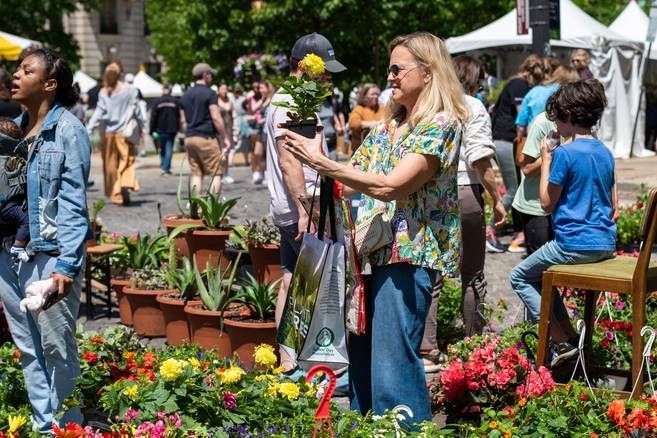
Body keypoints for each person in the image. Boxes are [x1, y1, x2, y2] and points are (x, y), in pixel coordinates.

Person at [282, 31, 467, 425]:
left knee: (392, 365)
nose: (391, 78)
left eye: (398, 69)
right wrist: (312, 162)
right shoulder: (389, 126)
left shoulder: (441, 124)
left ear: (429, 72)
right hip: (368, 253)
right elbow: (352, 178)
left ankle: (405, 432)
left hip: (408, 256)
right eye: (390, 70)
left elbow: (392, 185)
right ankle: (367, 430)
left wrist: (324, 164)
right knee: (363, 365)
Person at [1, 47, 90, 432]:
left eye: (26, 70)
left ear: (49, 84)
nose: (16, 75)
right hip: (9, 255)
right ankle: (42, 425)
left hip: (50, 257)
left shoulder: (68, 131)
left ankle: (68, 425)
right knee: (27, 349)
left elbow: (73, 203)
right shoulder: (15, 129)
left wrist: (68, 265)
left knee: (56, 349)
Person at [510, 79, 615, 367]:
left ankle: (561, 340)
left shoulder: (565, 154)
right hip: (605, 244)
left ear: (568, 115)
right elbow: (614, 207)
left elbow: (546, 203)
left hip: (571, 245)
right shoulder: (605, 152)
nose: (556, 127)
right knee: (544, 277)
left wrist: (546, 159)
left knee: (518, 276)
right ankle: (570, 334)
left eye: (558, 120)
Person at [264, 32, 346, 371]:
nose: (328, 77)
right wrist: (303, 209)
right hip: (304, 205)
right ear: (304, 66)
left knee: (291, 279)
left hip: (295, 204)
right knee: (317, 282)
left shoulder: (293, 101)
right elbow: (289, 161)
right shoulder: (291, 104)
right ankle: (316, 358)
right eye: (323, 70)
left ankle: (287, 357)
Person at [422, 56, 506, 365]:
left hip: (432, 192)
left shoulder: (431, 105)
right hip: (465, 191)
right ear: (474, 78)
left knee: (432, 273)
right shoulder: (473, 106)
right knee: (472, 273)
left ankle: (427, 347)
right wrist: (496, 198)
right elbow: (480, 159)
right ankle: (474, 344)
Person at [512, 67, 579, 255]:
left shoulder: (582, 124)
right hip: (536, 206)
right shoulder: (543, 122)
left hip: (563, 205)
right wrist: (553, 154)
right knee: (540, 269)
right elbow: (526, 168)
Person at [488, 55, 544, 253]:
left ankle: (518, 232)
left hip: (503, 140)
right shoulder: (520, 85)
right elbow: (524, 116)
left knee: (517, 186)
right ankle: (489, 231)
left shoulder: (515, 83)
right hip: (505, 140)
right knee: (513, 188)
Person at [86, 62, 144, 205]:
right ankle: (125, 183)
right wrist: (142, 126)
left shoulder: (104, 92)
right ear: (121, 74)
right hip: (125, 133)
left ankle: (116, 191)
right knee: (127, 161)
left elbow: (98, 113)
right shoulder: (130, 90)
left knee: (111, 166)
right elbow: (137, 112)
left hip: (109, 134)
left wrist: (88, 129)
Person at [180, 63, 231, 195]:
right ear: (204, 75)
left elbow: (183, 121)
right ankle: (211, 211)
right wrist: (225, 137)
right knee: (217, 173)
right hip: (206, 138)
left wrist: (189, 133)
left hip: (190, 138)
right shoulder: (210, 94)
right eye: (210, 74)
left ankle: (197, 209)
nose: (212, 77)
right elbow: (216, 117)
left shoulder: (185, 95)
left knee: (196, 174)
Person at [515, 65, 578, 136]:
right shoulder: (571, 94)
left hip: (535, 137)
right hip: (562, 138)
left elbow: (521, 124)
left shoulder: (534, 91)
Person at [0, 117, 30, 262]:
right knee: (26, 219)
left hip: (4, 205)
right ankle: (18, 246)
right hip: (9, 206)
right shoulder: (16, 159)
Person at [149, 84, 181, 175]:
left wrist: (152, 130)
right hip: (172, 128)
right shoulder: (175, 101)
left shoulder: (157, 101)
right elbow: (179, 116)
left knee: (163, 148)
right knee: (168, 148)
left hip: (160, 128)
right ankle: (165, 167)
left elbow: (153, 117)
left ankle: (164, 167)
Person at [245, 80, 269, 184]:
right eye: (259, 88)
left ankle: (267, 175)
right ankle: (261, 173)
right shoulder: (263, 99)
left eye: (262, 88)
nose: (260, 90)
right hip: (260, 129)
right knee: (257, 153)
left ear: (268, 88)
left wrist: (264, 119)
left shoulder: (271, 99)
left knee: (267, 154)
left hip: (267, 129)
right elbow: (253, 109)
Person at [348, 83, 384, 152]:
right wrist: (372, 124)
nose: (376, 97)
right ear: (364, 96)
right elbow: (353, 123)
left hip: (379, 150)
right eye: (372, 94)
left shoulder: (382, 108)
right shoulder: (359, 109)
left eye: (377, 94)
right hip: (360, 151)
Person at [318, 91, 345, 160]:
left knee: (334, 159)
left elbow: (334, 115)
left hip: (331, 137)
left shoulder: (331, 101)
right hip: (320, 139)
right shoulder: (314, 103)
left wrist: (339, 125)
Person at [217, 82, 236, 184]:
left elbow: (233, 115)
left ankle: (226, 174)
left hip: (228, 129)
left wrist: (234, 130)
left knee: (227, 153)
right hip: (219, 130)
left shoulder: (230, 101)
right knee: (220, 153)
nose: (225, 91)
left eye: (226, 89)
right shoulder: (215, 101)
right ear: (219, 90)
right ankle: (219, 174)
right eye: (223, 89)